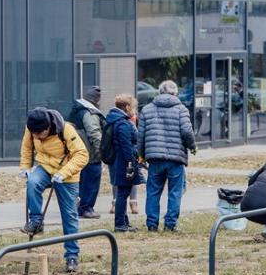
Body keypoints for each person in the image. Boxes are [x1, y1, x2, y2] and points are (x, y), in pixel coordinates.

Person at [20, 106, 88, 272]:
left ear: (48, 128)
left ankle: (72, 256)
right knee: (33, 183)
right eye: (33, 133)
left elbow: (82, 155)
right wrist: (25, 167)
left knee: (69, 216)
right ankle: (36, 221)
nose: (36, 137)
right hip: (45, 167)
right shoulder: (31, 128)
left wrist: (64, 173)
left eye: (39, 134)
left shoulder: (65, 130)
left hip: (67, 173)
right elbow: (27, 147)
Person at [138, 80, 197, 232]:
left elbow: (141, 136)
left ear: (159, 92)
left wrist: (141, 155)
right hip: (175, 159)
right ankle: (170, 225)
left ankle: (152, 224)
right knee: (175, 192)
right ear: (175, 93)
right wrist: (192, 147)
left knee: (153, 192)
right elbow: (187, 132)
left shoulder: (146, 110)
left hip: (154, 159)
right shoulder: (181, 109)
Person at [106, 94, 145, 232]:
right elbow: (126, 146)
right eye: (133, 107)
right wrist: (132, 162)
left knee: (124, 192)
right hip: (124, 163)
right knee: (122, 194)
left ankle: (124, 222)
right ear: (127, 107)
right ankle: (120, 225)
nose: (134, 111)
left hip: (121, 161)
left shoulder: (117, 120)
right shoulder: (122, 123)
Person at [68, 86, 106, 219]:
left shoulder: (75, 110)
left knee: (80, 182)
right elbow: (94, 133)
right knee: (91, 182)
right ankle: (86, 208)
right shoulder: (90, 113)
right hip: (90, 155)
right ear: (96, 100)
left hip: (77, 153)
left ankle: (77, 206)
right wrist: (102, 151)